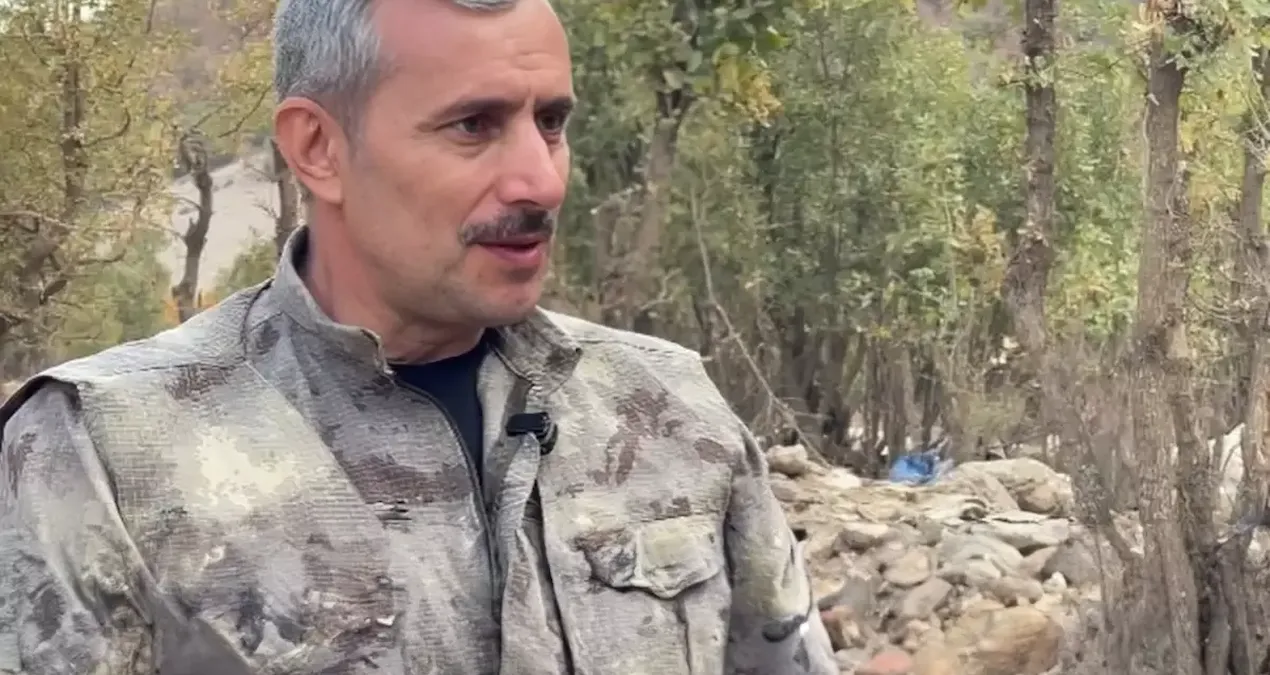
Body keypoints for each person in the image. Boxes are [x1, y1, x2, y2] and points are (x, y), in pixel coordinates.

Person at [0, 0, 836, 672]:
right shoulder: (106, 450)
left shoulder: (671, 408)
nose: (541, 180)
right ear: (319, 148)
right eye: (473, 125)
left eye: (551, 121)